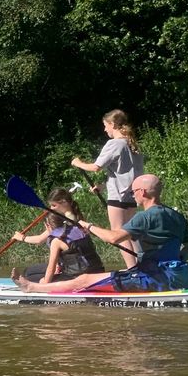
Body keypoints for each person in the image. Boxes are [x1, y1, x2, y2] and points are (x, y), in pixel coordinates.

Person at [12, 174, 188, 293]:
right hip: (179, 275)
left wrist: (89, 225)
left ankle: (33, 287)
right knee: (126, 272)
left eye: (133, 192)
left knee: (83, 280)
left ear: (142, 192)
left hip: (157, 279)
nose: (132, 195)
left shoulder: (145, 217)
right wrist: (172, 260)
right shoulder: (176, 215)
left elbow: (114, 238)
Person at [72, 109, 145, 267]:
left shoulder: (115, 144)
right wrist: (103, 186)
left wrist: (77, 163)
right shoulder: (133, 144)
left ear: (113, 124)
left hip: (118, 198)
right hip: (132, 197)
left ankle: (133, 269)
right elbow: (127, 174)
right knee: (130, 234)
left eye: (105, 126)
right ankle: (142, 266)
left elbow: (96, 167)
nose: (105, 129)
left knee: (118, 234)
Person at [11, 187, 104, 283]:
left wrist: (44, 284)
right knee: (29, 271)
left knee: (29, 275)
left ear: (64, 202)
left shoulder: (61, 233)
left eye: (53, 205)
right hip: (92, 268)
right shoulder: (80, 225)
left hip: (77, 274)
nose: (51, 208)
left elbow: (50, 266)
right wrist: (22, 238)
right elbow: (40, 239)